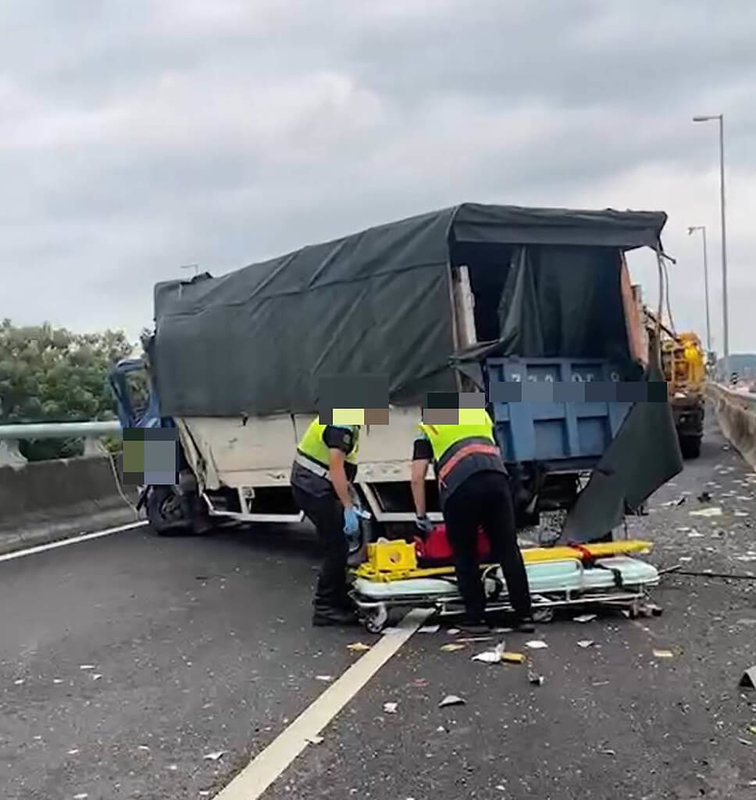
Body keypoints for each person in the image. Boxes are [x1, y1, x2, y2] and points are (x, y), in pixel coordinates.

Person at [410, 398, 533, 632]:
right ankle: (524, 616)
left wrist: (421, 516)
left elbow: (417, 476)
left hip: (460, 486)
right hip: (497, 479)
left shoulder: (429, 421)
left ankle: (476, 618)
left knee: (465, 552)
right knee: (508, 548)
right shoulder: (479, 414)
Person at [291, 418, 361, 626]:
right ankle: (325, 607)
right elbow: (336, 467)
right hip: (313, 487)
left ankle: (338, 599)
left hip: (314, 485)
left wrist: (350, 499)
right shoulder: (342, 422)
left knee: (338, 544)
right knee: (336, 547)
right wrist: (348, 507)